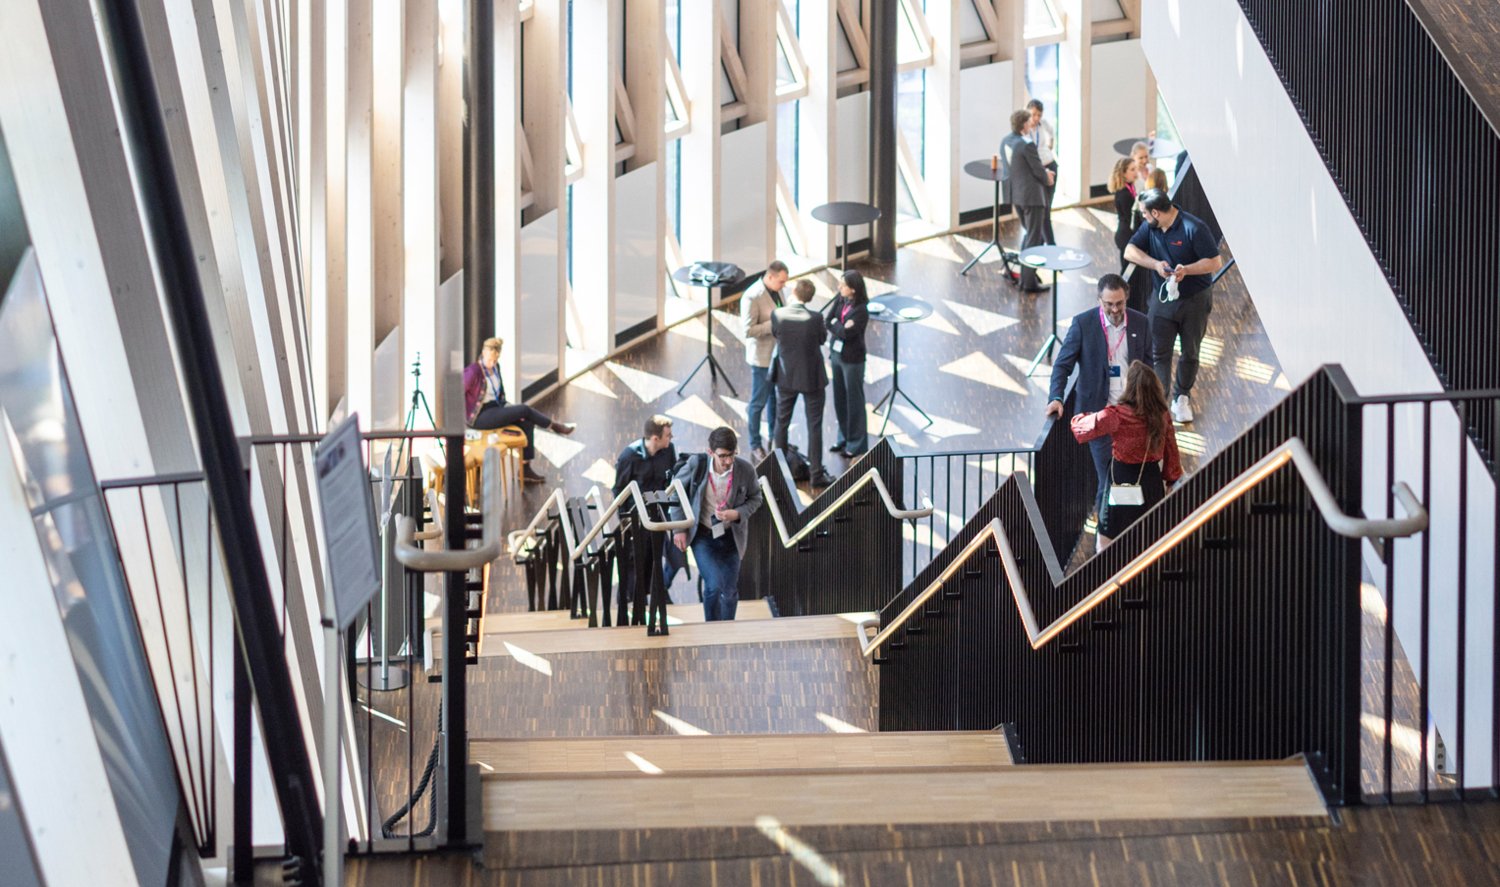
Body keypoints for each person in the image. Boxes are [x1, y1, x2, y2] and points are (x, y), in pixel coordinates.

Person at [1046, 274, 1153, 518]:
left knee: (1126, 476)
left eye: (1119, 303)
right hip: (1099, 415)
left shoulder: (1141, 323)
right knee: (1108, 476)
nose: (1115, 309)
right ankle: (1105, 534)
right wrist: (1056, 397)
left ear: (1126, 299)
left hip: (1131, 414)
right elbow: (1063, 365)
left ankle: (1112, 527)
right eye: (1109, 304)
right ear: (1099, 301)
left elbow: (1149, 366)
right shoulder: (1083, 324)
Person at [1123, 189, 1224, 424]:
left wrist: (1186, 270)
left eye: (1145, 214)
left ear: (1156, 212)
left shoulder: (1194, 228)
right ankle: (1159, 404)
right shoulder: (1151, 227)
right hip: (1163, 301)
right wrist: (1155, 264)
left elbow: (1214, 262)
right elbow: (1130, 251)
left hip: (1195, 301)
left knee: (1190, 351)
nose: (1143, 218)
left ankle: (1182, 397)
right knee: (1158, 353)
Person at [1070, 361, 1183, 547]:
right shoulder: (1162, 415)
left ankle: (1111, 571)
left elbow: (1080, 430)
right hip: (1150, 481)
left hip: (1120, 478)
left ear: (1129, 387)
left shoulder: (1117, 415)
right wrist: (1171, 479)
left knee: (1110, 530)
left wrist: (1084, 415)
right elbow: (1171, 449)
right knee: (1151, 533)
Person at [669, 426, 764, 622]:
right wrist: (679, 529)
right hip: (703, 536)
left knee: (729, 591)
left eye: (732, 455)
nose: (728, 461)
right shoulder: (697, 465)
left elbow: (756, 498)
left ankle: (727, 629)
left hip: (731, 537)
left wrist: (737, 513)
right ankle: (711, 627)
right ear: (710, 452)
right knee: (713, 586)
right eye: (722, 456)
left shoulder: (745, 470)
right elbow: (676, 492)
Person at [463, 337, 575, 482]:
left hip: (496, 408)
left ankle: (525, 469)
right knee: (524, 410)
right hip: (480, 416)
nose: (492, 363)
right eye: (490, 360)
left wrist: (508, 409)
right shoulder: (473, 372)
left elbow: (499, 395)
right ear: (483, 353)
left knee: (527, 423)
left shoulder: (496, 368)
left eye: (495, 360)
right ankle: (554, 426)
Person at [612, 415, 679, 629]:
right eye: (667, 435)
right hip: (636, 518)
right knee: (635, 560)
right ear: (654, 438)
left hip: (659, 514)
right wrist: (625, 522)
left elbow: (672, 478)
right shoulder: (629, 457)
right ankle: (633, 600)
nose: (671, 438)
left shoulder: (669, 451)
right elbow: (619, 490)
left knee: (665, 556)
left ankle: (659, 590)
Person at [772, 279, 835, 488]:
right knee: (814, 426)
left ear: (794, 292)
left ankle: (776, 471)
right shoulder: (815, 318)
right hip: (811, 377)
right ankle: (816, 474)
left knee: (782, 422)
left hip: (786, 377)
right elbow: (821, 340)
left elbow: (776, 335)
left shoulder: (778, 314)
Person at [740, 260, 790, 461]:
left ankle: (773, 437)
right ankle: (755, 443)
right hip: (761, 358)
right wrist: (775, 323)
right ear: (770, 277)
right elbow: (748, 330)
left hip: (776, 355)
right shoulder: (752, 297)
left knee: (773, 399)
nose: (783, 285)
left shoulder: (777, 291)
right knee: (758, 402)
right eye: (781, 281)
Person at [1000, 109, 1053, 293]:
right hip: (1032, 197)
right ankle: (1029, 283)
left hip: (1016, 196)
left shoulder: (1006, 141)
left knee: (1030, 234)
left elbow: (1016, 168)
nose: (1032, 123)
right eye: (1030, 120)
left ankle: (1024, 277)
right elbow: (1037, 169)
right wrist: (1048, 177)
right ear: (1024, 124)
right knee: (1034, 237)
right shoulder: (1027, 144)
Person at [825, 270, 870, 459]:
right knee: (840, 398)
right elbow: (829, 321)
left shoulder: (861, 310)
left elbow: (846, 333)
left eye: (843, 285)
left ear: (852, 289)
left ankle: (857, 443)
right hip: (837, 355)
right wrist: (840, 326)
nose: (839, 287)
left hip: (853, 360)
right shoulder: (841, 300)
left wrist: (839, 327)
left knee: (854, 401)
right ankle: (843, 437)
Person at [1027, 99, 1058, 245]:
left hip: (1050, 166)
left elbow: (1051, 132)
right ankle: (1050, 246)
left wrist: (1051, 143)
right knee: (1042, 213)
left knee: (1046, 211)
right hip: (1039, 172)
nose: (1036, 118)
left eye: (1039, 115)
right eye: (1033, 114)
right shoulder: (1024, 130)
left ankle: (1042, 245)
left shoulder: (1043, 124)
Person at [1109, 157, 1140, 269]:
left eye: (1135, 168)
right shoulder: (1124, 194)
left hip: (1126, 233)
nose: (1136, 171)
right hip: (1125, 236)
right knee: (1127, 271)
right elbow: (1130, 218)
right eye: (1132, 169)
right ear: (1124, 173)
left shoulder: (1130, 187)